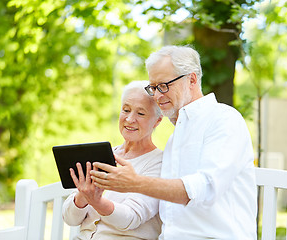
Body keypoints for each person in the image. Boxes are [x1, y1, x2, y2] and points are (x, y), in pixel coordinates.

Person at [90, 45, 258, 240]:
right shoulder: (175, 138)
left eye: (163, 86)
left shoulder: (223, 119)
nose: (157, 96)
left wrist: (135, 183)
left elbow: (206, 187)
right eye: (153, 88)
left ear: (192, 79)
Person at [62, 80, 164, 240]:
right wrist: (83, 195)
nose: (130, 119)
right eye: (126, 110)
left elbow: (130, 218)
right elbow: (70, 219)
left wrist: (96, 201)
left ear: (158, 121)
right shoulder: (103, 153)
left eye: (141, 113)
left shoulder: (159, 162)